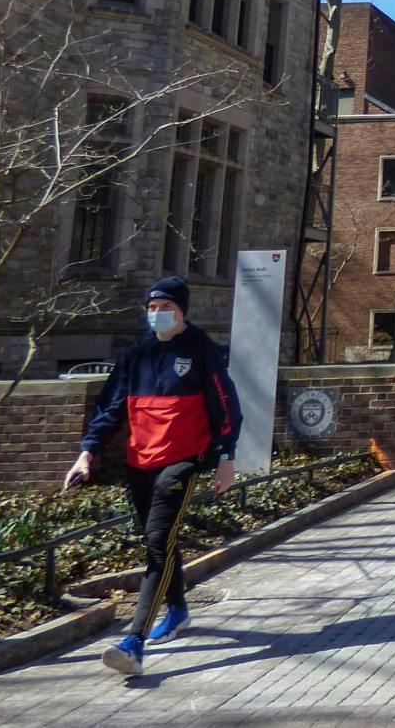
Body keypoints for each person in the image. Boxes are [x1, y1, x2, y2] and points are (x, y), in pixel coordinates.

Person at [69, 278, 241, 678]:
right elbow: (110, 407)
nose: (157, 312)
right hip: (139, 461)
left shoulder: (202, 350)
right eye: (152, 306)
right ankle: (178, 610)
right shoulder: (136, 356)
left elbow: (226, 405)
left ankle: (134, 641)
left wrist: (226, 457)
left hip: (182, 459)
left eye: (166, 306)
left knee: (159, 540)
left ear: (182, 311)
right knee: (157, 540)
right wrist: (87, 453)